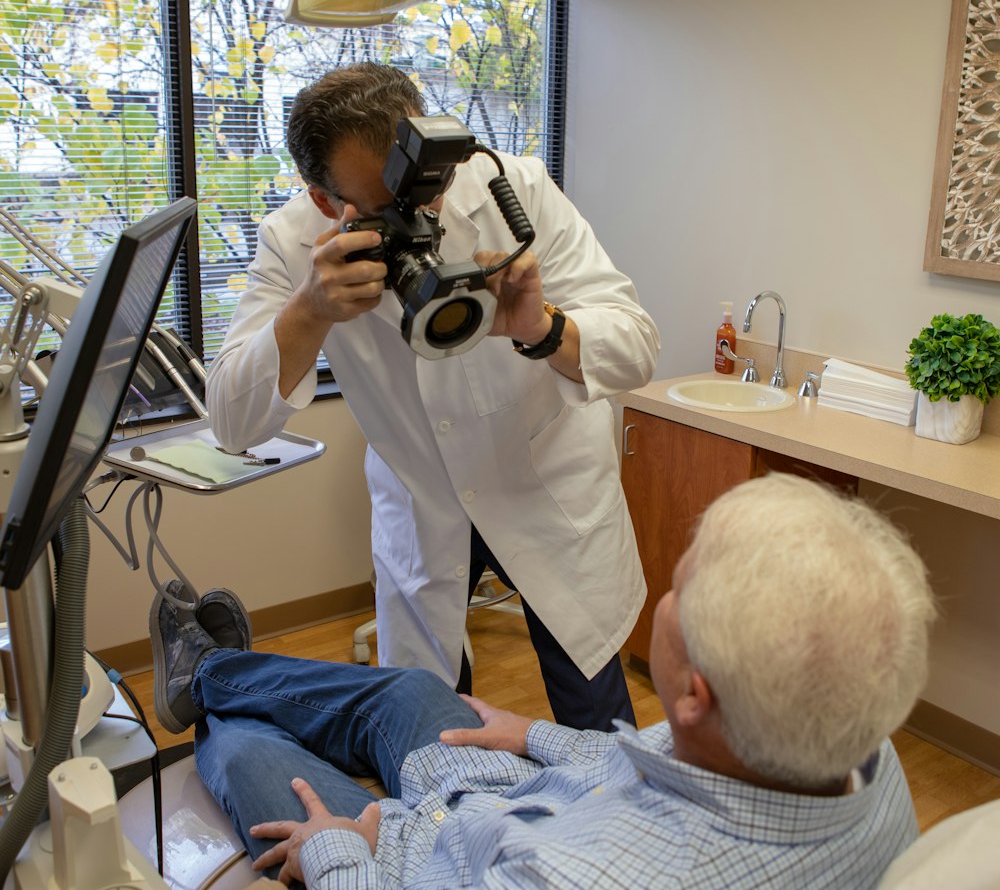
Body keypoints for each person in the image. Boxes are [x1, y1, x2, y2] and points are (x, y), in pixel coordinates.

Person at [149, 473, 937, 889]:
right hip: (519, 803)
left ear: (695, 694)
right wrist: (533, 735)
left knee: (245, 750)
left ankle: (211, 694)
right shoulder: (855, 749)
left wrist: (336, 853)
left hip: (419, 862)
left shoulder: (577, 881)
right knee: (413, 692)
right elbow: (671, 760)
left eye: (678, 589)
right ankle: (214, 671)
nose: (665, 597)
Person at [205, 61, 660, 731]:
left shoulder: (516, 189)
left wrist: (540, 328)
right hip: (423, 506)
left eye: (428, 189)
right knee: (432, 728)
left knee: (597, 720)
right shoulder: (293, 241)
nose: (419, 218)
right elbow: (231, 422)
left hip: (548, 492)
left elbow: (637, 346)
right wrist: (309, 310)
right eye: (386, 207)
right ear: (326, 203)